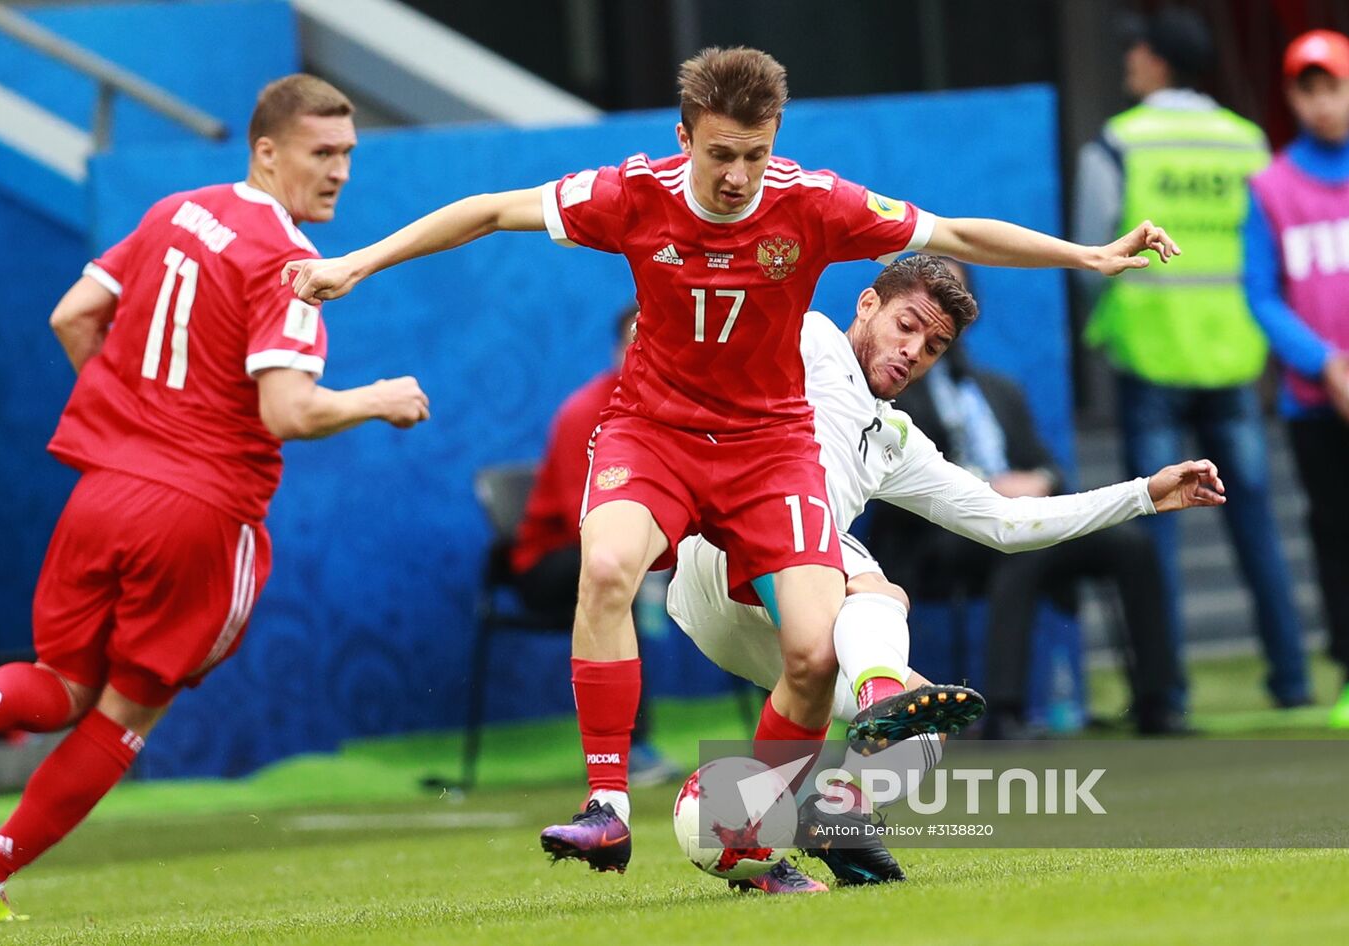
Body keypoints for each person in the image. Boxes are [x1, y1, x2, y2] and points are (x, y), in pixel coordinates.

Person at [282, 46, 1179, 876]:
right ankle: (605, 803)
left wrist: (1088, 255)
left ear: (774, 141)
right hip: (655, 432)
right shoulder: (633, 193)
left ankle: (767, 826)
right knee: (605, 568)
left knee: (812, 654)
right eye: (719, 154)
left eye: (753, 153)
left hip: (767, 449)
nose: (736, 175)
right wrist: (359, 262)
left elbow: (956, 236)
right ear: (684, 137)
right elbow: (487, 210)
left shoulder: (816, 203)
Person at [0, 75, 430, 923]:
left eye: (349, 153)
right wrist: (376, 397)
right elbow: (288, 410)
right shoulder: (290, 265)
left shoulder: (176, 209)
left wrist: (136, 418)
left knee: (60, 683)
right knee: (126, 712)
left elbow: (72, 317)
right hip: (200, 512)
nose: (341, 171)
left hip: (103, 489)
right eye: (323, 152)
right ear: (266, 150)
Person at [667, 255, 1224, 892]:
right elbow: (723, 318)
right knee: (878, 588)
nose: (913, 352)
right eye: (906, 326)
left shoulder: (895, 438)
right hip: (725, 548)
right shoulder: (813, 340)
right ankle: (880, 703)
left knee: (925, 722)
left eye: (933, 346)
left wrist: (1145, 493)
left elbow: (1006, 523)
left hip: (769, 613)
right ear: (867, 305)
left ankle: (811, 824)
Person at [1074, 6, 1309, 709]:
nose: (1127, 63)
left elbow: (1092, 255)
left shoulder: (1119, 142)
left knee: (1156, 528)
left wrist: (1107, 330)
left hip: (1150, 356)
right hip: (1234, 357)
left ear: (1157, 61)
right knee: (1257, 527)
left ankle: (1165, 693)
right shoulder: (1246, 144)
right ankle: (1293, 683)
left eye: (1135, 51)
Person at [873, 339, 1184, 738]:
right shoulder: (897, 398)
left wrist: (1039, 481)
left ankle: (1157, 702)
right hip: (943, 532)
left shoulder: (998, 389)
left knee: (1132, 545)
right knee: (1020, 547)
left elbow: (1049, 466)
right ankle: (1004, 712)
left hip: (1024, 518)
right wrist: (986, 488)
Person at [511, 304, 678, 784]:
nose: (643, 353)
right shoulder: (586, 412)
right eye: (634, 343)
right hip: (547, 563)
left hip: (627, 552)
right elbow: (580, 520)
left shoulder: (675, 411)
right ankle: (631, 750)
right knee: (615, 579)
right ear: (617, 350)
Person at [1245, 29, 1349, 728]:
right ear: (1291, 97)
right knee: (1335, 536)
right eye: (1307, 89)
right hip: (1317, 406)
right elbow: (1260, 294)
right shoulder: (1271, 186)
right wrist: (1326, 364)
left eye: (1332, 86)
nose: (1321, 103)